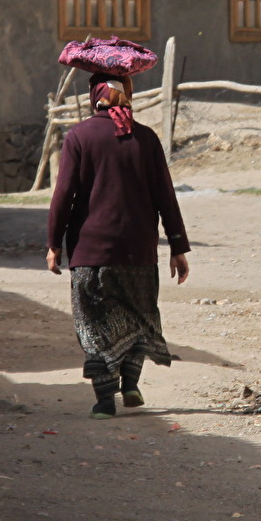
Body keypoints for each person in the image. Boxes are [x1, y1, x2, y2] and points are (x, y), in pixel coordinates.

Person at [47, 72, 190, 419]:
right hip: (139, 251)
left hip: (91, 252)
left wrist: (54, 243)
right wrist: (177, 246)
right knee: (136, 316)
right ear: (127, 95)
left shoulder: (79, 136)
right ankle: (130, 383)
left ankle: (104, 400)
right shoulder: (146, 138)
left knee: (93, 322)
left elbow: (63, 196)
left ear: (95, 94)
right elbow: (165, 197)